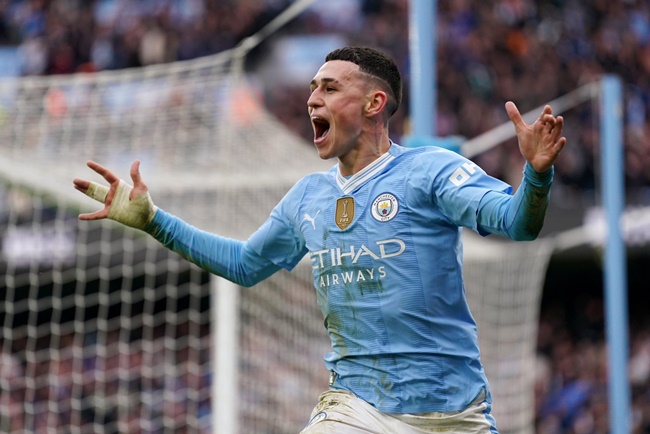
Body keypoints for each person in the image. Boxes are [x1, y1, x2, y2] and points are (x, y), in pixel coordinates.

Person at [73, 46, 566, 433]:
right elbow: (245, 264)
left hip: (453, 411)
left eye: (330, 88)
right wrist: (155, 221)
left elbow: (517, 223)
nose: (312, 99)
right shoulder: (307, 198)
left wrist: (537, 174)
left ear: (374, 103)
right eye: (312, 89)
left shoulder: (430, 170)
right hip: (357, 406)